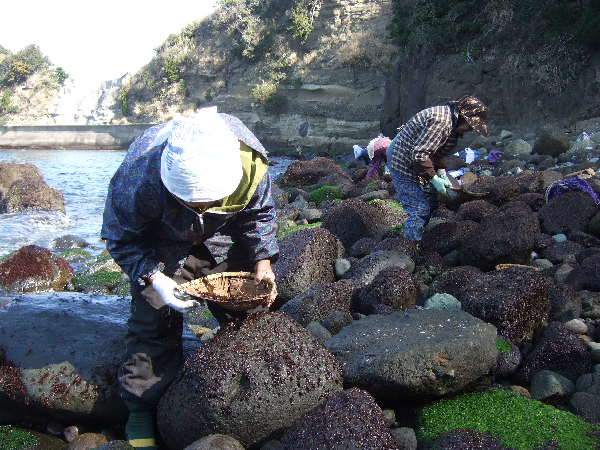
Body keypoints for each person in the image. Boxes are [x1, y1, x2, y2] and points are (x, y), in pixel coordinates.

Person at [101, 106, 279, 449]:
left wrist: (263, 261)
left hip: (226, 223)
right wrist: (156, 277)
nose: (199, 207)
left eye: (206, 200)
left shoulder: (249, 163)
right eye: (192, 201)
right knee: (153, 315)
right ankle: (140, 405)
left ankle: (248, 374)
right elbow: (120, 236)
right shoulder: (138, 177)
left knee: (251, 297)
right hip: (162, 231)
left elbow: (258, 215)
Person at [388, 95, 489, 242]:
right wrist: (434, 178)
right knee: (418, 209)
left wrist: (441, 172)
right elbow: (420, 154)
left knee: (431, 201)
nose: (470, 130)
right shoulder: (441, 122)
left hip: (419, 162)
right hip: (402, 162)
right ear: (463, 117)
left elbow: (437, 151)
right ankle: (409, 248)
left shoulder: (454, 127)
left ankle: (420, 233)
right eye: (471, 126)